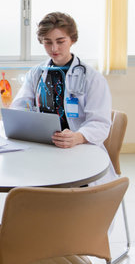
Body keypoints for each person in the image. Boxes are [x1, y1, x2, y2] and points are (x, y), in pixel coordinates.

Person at [11, 12, 116, 183]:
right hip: (43, 147)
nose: (54, 49)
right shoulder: (36, 73)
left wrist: (78, 137)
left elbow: (100, 123)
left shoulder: (92, 78)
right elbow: (18, 109)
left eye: (60, 42)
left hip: (78, 149)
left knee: (65, 185)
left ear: (72, 39)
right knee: (22, 178)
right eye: (48, 42)